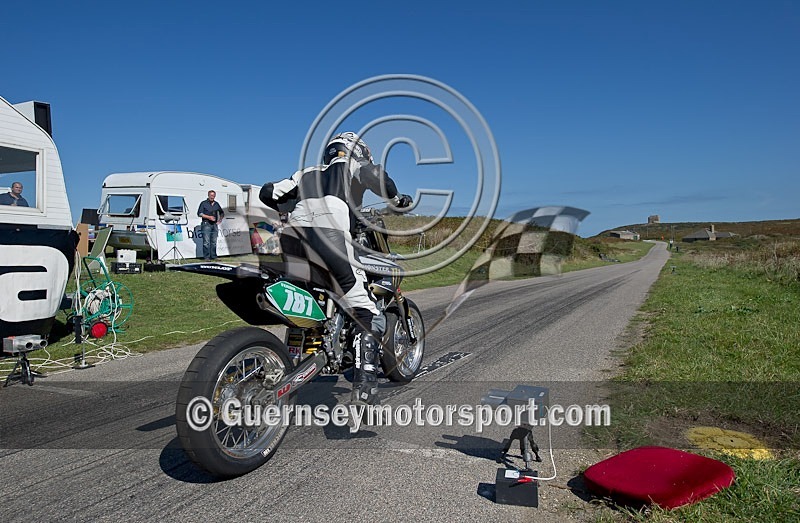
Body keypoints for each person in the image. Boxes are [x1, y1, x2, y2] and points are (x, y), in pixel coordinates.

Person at [259, 132, 412, 406]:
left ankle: (308, 343)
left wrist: (292, 206)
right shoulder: (352, 165)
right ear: (359, 152)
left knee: (316, 291)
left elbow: (268, 192)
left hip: (291, 241)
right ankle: (365, 386)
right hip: (330, 238)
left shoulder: (305, 173)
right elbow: (378, 176)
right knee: (368, 313)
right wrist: (398, 199)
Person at [197, 190, 224, 260]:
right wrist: (209, 217)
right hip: (206, 224)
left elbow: (222, 212)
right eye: (211, 195)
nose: (212, 197)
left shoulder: (216, 204)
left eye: (214, 196)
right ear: (208, 195)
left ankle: (214, 256)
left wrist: (220, 219)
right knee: (206, 242)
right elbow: (199, 213)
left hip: (214, 224)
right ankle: (206, 257)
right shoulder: (203, 203)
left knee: (214, 242)